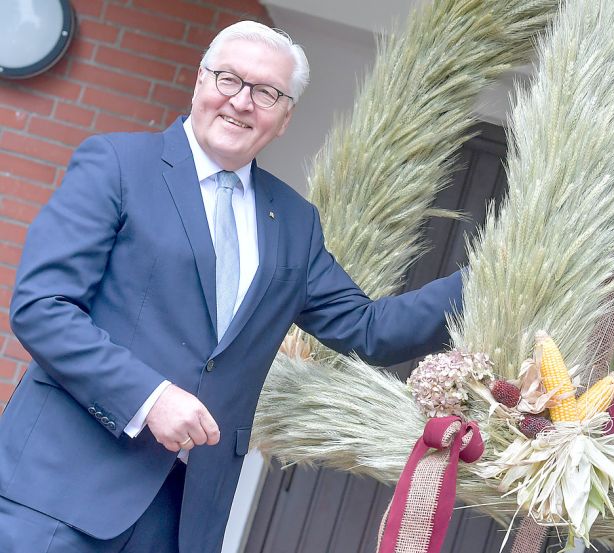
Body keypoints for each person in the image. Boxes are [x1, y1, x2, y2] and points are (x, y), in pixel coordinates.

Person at [0, 21, 462, 553]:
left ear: (285, 117)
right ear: (200, 82)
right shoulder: (119, 164)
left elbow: (371, 330)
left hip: (180, 519)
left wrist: (491, 274)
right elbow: (43, 307)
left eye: (266, 93)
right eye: (228, 80)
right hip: (58, 495)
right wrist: (148, 399)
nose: (242, 102)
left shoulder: (294, 223)